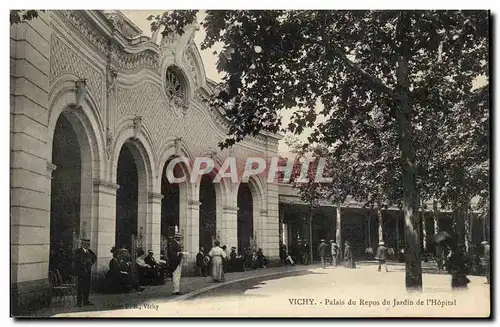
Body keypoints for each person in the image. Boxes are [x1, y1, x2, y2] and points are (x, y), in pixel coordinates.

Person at [72, 238, 97, 307]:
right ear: (82, 244)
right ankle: (79, 302)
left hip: (88, 272)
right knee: (80, 288)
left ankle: (86, 301)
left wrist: (90, 263)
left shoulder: (90, 251)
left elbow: (95, 257)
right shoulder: (78, 251)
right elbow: (75, 260)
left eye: (88, 244)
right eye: (86, 244)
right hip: (80, 273)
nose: (87, 246)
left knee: (87, 286)